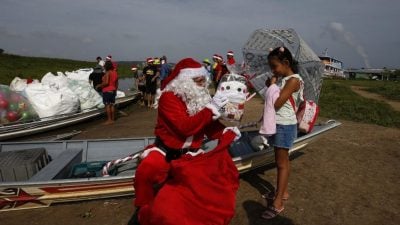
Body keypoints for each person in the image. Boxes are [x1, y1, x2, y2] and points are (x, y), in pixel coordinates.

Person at [131, 58, 241, 225]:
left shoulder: (200, 97)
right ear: (184, 81)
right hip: (165, 151)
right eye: (198, 81)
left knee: (209, 185)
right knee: (146, 171)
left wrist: (224, 132)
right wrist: (211, 109)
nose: (202, 84)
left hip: (191, 154)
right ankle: (143, 210)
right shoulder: (169, 98)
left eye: (204, 80)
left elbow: (208, 124)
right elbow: (185, 127)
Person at [261, 46, 303, 219]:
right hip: (279, 124)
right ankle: (282, 192)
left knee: (281, 163)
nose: (273, 70)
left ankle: (278, 201)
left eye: (274, 66)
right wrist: (271, 84)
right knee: (282, 161)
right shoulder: (283, 79)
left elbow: (277, 103)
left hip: (285, 126)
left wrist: (272, 87)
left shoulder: (293, 81)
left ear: (286, 63)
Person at [96, 61, 119, 125]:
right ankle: (113, 119)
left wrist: (99, 85)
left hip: (107, 90)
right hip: (113, 90)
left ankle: (109, 120)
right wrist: (115, 90)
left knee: (107, 105)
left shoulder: (107, 73)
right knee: (112, 105)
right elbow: (117, 83)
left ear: (106, 66)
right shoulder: (115, 73)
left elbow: (106, 83)